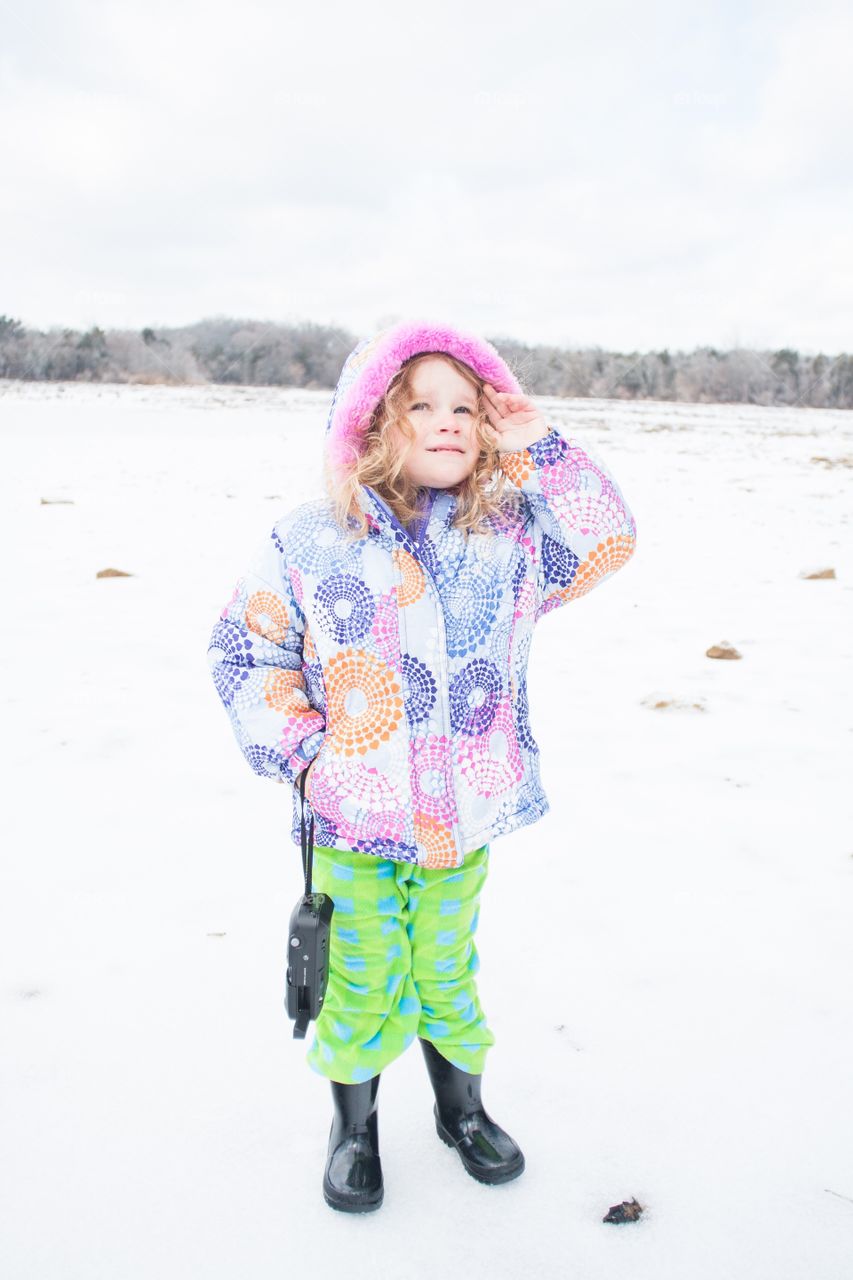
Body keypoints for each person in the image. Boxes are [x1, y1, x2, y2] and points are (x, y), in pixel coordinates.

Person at [206, 319, 637, 1213]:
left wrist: (540, 447)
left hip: (463, 817)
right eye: (418, 406)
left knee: (447, 970)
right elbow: (248, 655)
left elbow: (609, 540)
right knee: (362, 983)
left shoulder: (512, 537)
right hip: (353, 821)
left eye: (466, 406)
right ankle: (353, 1126)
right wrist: (307, 756)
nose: (447, 421)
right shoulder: (308, 540)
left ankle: (461, 1111)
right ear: (369, 423)